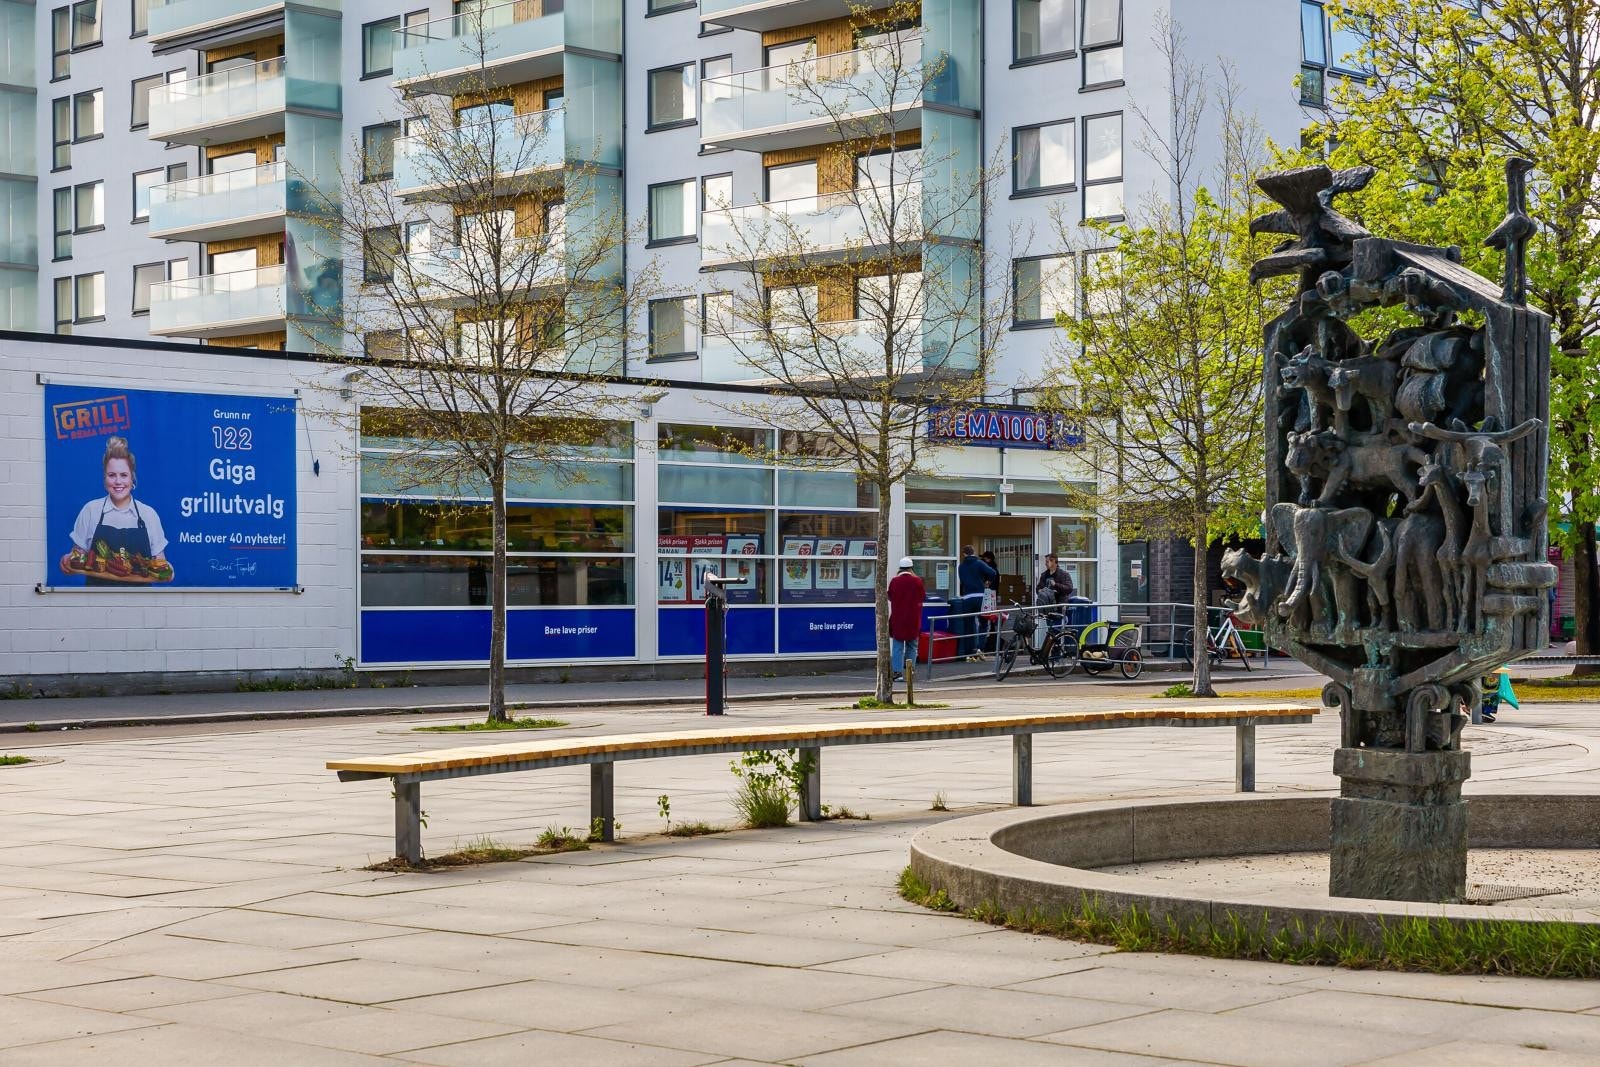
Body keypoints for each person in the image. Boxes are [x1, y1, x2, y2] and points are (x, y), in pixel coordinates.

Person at [61, 435, 171, 586]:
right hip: (96, 602)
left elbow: (160, 562)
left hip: (142, 603)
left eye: (124, 475)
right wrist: (68, 559)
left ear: (132, 478)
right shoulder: (91, 511)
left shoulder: (148, 515)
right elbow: (78, 557)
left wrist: (167, 569)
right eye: (112, 475)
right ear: (104, 478)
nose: (118, 481)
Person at [887, 557, 925, 683]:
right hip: (913, 618)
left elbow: (890, 596)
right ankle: (910, 671)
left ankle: (897, 673)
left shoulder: (894, 581)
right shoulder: (917, 581)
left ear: (900, 568)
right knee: (912, 646)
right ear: (911, 568)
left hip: (898, 618)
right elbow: (922, 597)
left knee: (897, 646)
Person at [957, 545, 997, 659]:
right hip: (980, 596)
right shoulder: (979, 563)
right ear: (973, 552)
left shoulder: (961, 566)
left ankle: (969, 653)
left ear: (964, 554)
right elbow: (993, 573)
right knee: (983, 623)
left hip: (967, 598)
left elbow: (962, 581)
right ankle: (980, 649)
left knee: (968, 625)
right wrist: (987, 581)